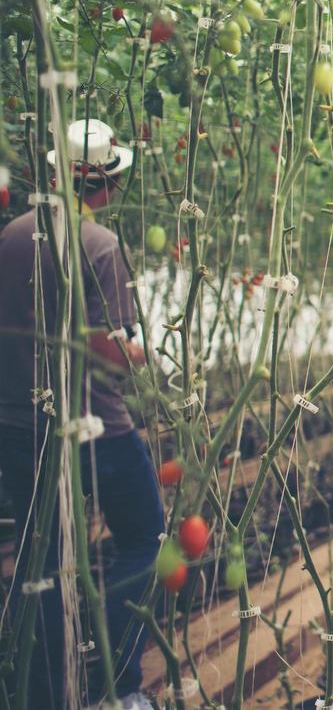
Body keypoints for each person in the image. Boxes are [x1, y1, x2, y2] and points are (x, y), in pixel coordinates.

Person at [0, 117, 162, 710]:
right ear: (105, 186)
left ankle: (39, 692)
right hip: (92, 423)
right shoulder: (99, 244)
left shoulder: (13, 234)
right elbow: (105, 348)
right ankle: (119, 685)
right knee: (147, 536)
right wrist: (148, 356)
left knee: (41, 555)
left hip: (19, 423)